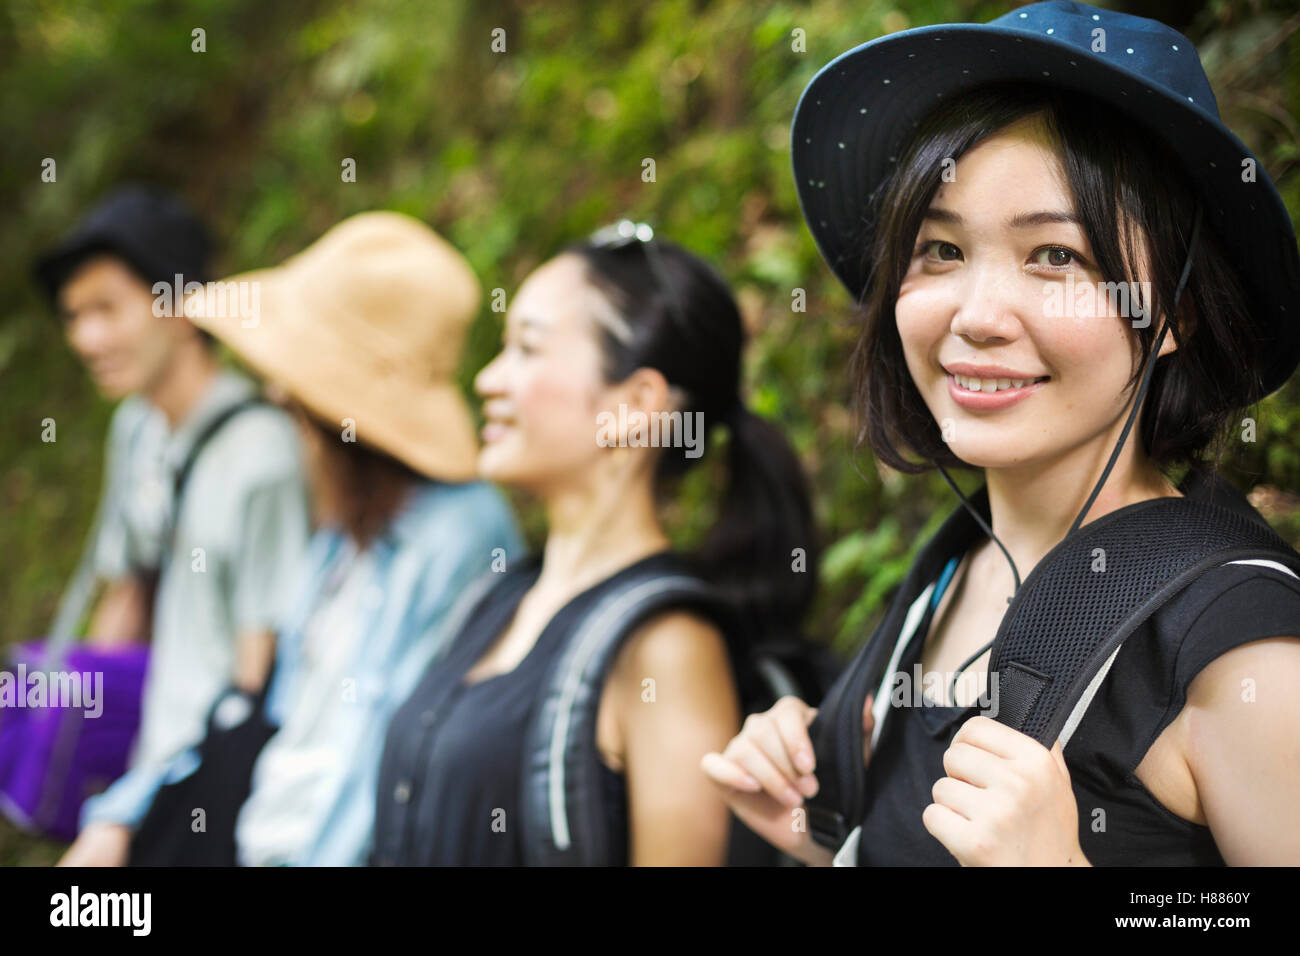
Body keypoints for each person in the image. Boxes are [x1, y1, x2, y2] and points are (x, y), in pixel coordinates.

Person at [704, 1, 1300, 866]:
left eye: (1055, 256)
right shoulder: (952, 571)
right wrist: (818, 834)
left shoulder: (1238, 648)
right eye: (940, 251)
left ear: (1176, 310)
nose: (977, 316)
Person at [71, 210, 523, 866]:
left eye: (295, 405)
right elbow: (270, 716)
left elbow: (375, 764)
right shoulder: (347, 539)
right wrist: (123, 815)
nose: (280, 408)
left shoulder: (455, 535)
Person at [371, 222, 820, 865]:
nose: (488, 380)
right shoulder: (499, 595)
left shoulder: (667, 645)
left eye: (527, 349)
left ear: (634, 404)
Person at [35, 185, 312, 863]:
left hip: (206, 786)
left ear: (184, 308)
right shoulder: (137, 429)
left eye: (106, 309)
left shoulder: (263, 458)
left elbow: (258, 673)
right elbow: (127, 590)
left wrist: (138, 819)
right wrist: (77, 736)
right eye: (75, 316)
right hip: (145, 766)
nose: (86, 338)